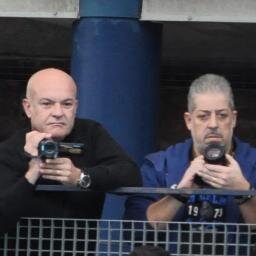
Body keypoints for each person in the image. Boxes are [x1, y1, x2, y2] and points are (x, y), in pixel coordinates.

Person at [124, 74, 256, 254]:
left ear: (233, 119)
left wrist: (243, 191)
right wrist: (180, 193)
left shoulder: (252, 162)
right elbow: (135, 231)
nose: (213, 124)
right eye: (203, 116)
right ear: (189, 120)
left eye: (222, 115)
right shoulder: (160, 165)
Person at [0, 68, 141, 236]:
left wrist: (80, 177)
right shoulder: (11, 148)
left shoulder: (90, 133)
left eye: (66, 104)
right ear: (28, 107)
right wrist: (32, 171)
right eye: (47, 104)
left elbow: (131, 174)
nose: (58, 113)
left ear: (76, 106)